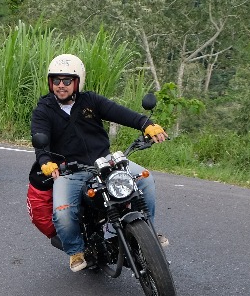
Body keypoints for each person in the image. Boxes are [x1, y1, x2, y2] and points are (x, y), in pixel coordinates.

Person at [30, 53, 169, 272]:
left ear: (77, 82)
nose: (61, 85)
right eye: (56, 80)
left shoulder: (91, 101)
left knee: (145, 180)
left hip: (104, 162)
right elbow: (39, 137)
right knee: (63, 212)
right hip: (70, 170)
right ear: (50, 82)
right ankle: (75, 250)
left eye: (67, 80)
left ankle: (146, 230)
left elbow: (120, 113)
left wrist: (146, 124)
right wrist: (45, 160)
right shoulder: (43, 110)